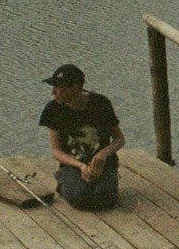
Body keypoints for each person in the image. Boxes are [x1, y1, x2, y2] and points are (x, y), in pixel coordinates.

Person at [39, 63, 125, 211]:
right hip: (73, 165)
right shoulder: (53, 109)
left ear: (75, 87)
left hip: (102, 165)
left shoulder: (101, 103)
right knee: (80, 198)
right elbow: (56, 151)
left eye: (58, 87)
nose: (53, 92)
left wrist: (103, 154)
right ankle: (64, 179)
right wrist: (80, 166)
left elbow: (119, 139)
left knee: (105, 199)